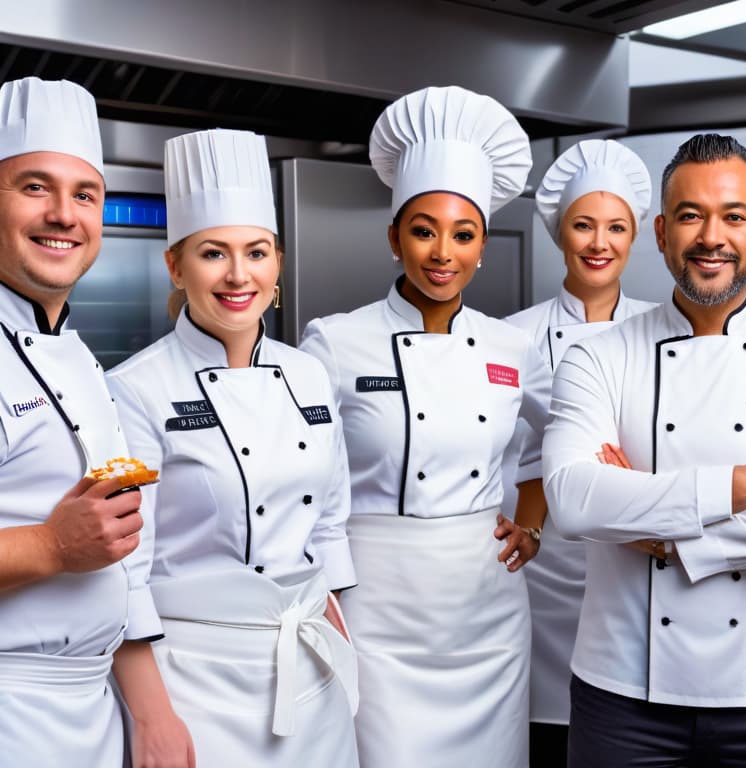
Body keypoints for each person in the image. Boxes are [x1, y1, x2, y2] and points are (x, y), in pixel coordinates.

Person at [542, 133, 746, 767]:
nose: (711, 237)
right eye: (691, 216)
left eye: (734, 216)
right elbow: (573, 502)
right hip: (623, 690)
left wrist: (669, 535)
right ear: (663, 231)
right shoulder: (597, 355)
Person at [301, 85, 549, 768]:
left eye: (463, 234)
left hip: (485, 604)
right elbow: (304, 478)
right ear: (393, 237)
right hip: (375, 601)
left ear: (482, 246)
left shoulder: (511, 348)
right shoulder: (334, 342)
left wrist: (531, 523)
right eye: (423, 230)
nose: (443, 252)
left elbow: (564, 442)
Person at [106, 128, 359, 767]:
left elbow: (329, 519)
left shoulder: (308, 373)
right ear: (176, 265)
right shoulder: (133, 390)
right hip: (194, 679)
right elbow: (123, 569)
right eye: (214, 253)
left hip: (309, 666)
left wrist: (336, 624)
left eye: (256, 252)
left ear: (277, 261)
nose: (238, 275)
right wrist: (152, 715)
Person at [0, 76, 146, 767]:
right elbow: (68, 541)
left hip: (91, 707)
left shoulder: (80, 353)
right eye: (33, 187)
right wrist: (52, 548)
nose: (64, 214)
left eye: (84, 195)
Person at [502, 138, 656, 767]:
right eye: (584, 225)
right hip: (542, 571)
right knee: (544, 736)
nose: (599, 242)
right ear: (558, 232)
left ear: (637, 234)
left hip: (640, 565)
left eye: (615, 227)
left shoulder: (662, 327)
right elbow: (505, 455)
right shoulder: (512, 336)